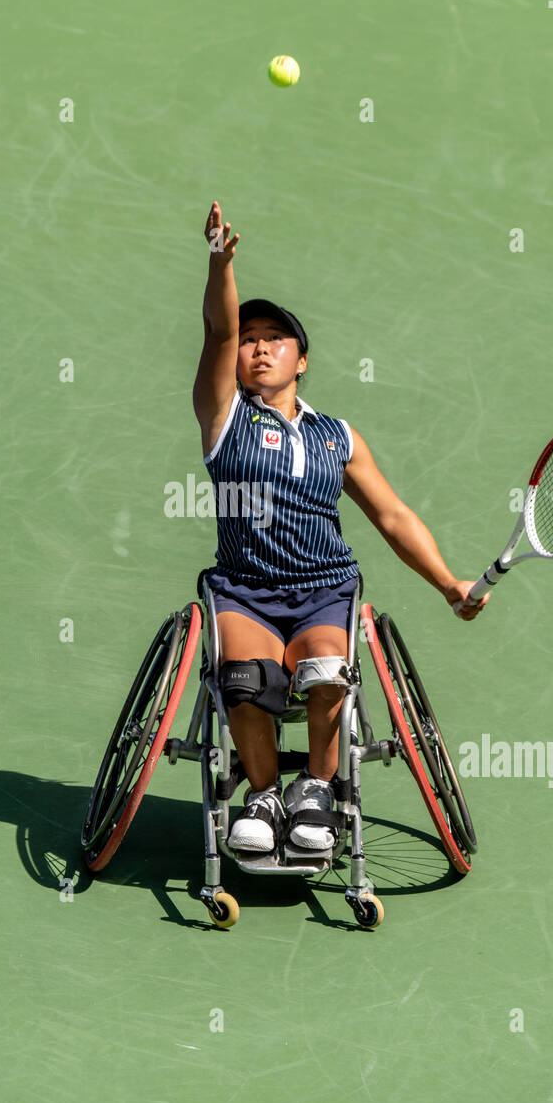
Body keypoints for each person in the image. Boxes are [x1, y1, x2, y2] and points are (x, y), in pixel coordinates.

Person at [193, 201, 490, 856]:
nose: (258, 345)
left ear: (302, 360)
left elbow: (390, 514)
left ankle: (316, 793)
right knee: (244, 679)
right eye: (250, 338)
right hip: (245, 589)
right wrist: (221, 264)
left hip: (325, 588)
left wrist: (447, 583)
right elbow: (217, 332)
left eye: (276, 338)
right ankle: (266, 795)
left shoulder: (337, 436)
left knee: (328, 672)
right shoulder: (223, 417)